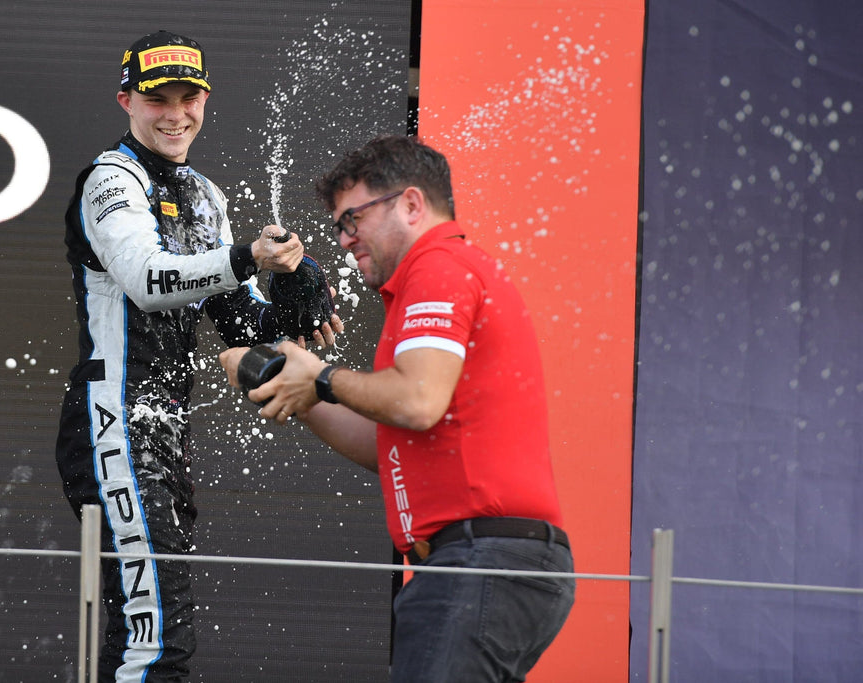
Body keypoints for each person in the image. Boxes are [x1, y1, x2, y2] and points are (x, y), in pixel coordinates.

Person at [219, 135, 575, 682]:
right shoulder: (432, 278)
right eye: (339, 226)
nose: (342, 241)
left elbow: (415, 401)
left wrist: (320, 376)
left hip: (482, 561)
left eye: (352, 220)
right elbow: (383, 443)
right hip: (482, 562)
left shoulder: (439, 267)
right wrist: (294, 388)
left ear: (411, 205)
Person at [55, 30, 341, 682]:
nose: (176, 112)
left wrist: (297, 285)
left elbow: (245, 323)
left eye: (189, 96)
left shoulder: (204, 195)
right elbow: (148, 279)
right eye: (159, 98)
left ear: (206, 99)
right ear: (125, 98)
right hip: (113, 422)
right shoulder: (111, 178)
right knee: (158, 647)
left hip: (161, 429)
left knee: (141, 635)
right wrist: (246, 258)